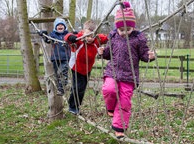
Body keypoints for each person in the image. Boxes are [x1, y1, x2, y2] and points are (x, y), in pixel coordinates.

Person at [97, 1, 156, 138]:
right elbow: (108, 53)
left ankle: (119, 128)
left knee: (124, 102)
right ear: (117, 28)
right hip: (112, 71)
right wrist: (102, 52)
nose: (124, 33)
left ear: (133, 28)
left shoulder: (138, 39)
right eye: (121, 30)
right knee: (109, 90)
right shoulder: (113, 37)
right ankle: (110, 107)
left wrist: (150, 56)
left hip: (129, 76)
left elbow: (143, 55)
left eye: (127, 30)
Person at [64, 20, 108, 115]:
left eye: (92, 36)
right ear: (83, 32)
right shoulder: (79, 39)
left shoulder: (97, 39)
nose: (89, 38)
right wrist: (71, 37)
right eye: (87, 36)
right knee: (77, 87)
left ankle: (77, 105)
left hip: (87, 68)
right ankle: (73, 106)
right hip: (76, 67)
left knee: (82, 88)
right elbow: (66, 37)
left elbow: (107, 38)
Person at [38, 18, 71, 96]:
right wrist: (44, 34)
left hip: (65, 58)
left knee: (62, 72)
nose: (60, 26)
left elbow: (73, 39)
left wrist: (75, 35)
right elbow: (48, 40)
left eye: (61, 25)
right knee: (56, 74)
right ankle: (59, 88)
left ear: (65, 27)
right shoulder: (53, 35)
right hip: (55, 58)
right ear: (55, 27)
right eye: (58, 25)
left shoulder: (67, 35)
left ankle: (62, 88)